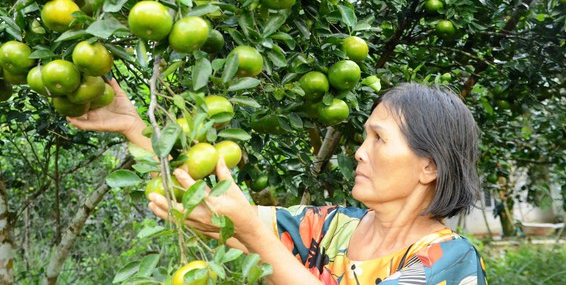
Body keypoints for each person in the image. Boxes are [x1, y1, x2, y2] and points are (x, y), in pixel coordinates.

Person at [69, 80, 488, 285]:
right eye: (364, 137)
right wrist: (137, 130)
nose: (360, 151)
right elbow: (221, 212)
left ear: (429, 166)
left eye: (379, 139)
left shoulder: (448, 260)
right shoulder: (331, 227)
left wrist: (254, 233)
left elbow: (252, 232)